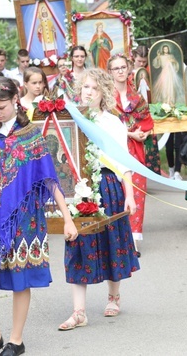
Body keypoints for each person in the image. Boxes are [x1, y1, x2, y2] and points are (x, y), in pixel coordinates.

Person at [0, 76, 77, 356]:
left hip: (25, 218)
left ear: (15, 100)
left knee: (20, 277)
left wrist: (68, 218)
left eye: (1, 107)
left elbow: (49, 179)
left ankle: (16, 340)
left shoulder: (30, 136)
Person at [59, 68, 140, 331]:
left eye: (94, 88)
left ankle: (113, 296)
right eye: (85, 87)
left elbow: (123, 162)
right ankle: (79, 311)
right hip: (79, 189)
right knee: (77, 244)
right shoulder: (72, 119)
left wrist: (129, 195)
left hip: (106, 186)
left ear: (103, 92)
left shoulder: (112, 123)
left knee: (111, 241)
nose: (89, 92)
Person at [109, 54, 159, 256]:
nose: (120, 71)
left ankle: (133, 241)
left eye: (123, 67)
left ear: (129, 70)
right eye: (116, 68)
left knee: (136, 191)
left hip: (135, 150)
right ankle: (116, 241)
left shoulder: (137, 97)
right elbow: (102, 125)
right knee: (116, 193)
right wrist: (129, 132)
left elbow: (147, 121)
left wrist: (143, 134)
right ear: (110, 72)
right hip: (113, 150)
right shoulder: (105, 97)